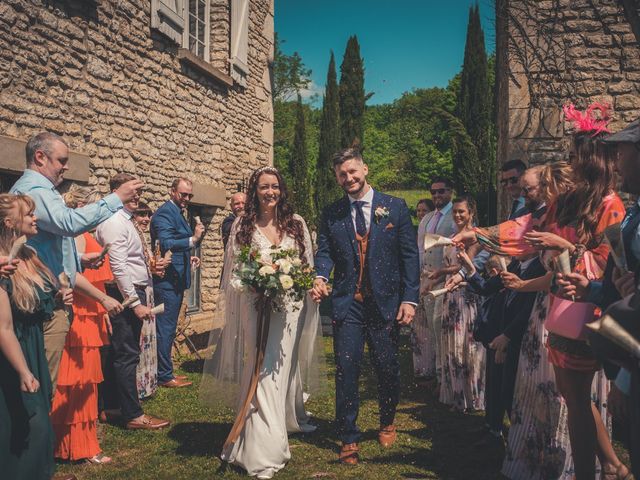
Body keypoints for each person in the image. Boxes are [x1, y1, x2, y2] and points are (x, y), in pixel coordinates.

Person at [201, 166, 322, 479]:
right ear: (255, 191)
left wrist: (310, 284)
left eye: (276, 187)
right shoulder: (243, 225)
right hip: (257, 307)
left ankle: (279, 424)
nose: (271, 192)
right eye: (265, 187)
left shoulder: (296, 224)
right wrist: (257, 283)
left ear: (282, 190)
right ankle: (264, 450)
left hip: (291, 308)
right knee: (264, 369)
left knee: (282, 368)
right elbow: (236, 271)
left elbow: (306, 266)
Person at [312, 147, 420, 465]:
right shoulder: (332, 213)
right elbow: (325, 251)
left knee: (387, 367)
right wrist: (320, 275)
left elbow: (409, 257)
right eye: (342, 175)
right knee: (346, 369)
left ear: (365, 169)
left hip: (385, 303)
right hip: (349, 304)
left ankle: (387, 420)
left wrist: (409, 298)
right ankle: (348, 436)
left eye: (352, 172)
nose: (348, 178)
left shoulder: (395, 208)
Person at [9, 131, 142, 390]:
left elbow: (42, 249)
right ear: (40, 157)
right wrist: (116, 198)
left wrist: (78, 260)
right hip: (45, 303)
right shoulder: (35, 190)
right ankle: (41, 430)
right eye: (61, 160)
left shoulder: (40, 190)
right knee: (41, 384)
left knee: (43, 380)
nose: (66, 167)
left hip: (50, 298)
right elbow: (68, 223)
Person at [0, 193, 71, 480]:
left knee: (39, 419)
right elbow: (3, 326)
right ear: (9, 222)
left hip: (33, 344)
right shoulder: (3, 263)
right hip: (12, 353)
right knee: (27, 423)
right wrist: (22, 370)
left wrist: (55, 296)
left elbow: (33, 300)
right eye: (29, 213)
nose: (35, 218)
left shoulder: (29, 254)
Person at [96, 174, 170, 431]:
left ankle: (113, 407)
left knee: (122, 352)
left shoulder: (126, 221)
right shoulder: (114, 222)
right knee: (126, 354)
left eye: (140, 191)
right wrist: (134, 302)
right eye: (132, 191)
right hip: (124, 293)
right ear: (116, 190)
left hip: (133, 289)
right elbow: (118, 266)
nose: (137, 196)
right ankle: (132, 415)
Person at [50, 186, 113, 464]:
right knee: (77, 382)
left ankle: (80, 444)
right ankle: (77, 446)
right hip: (80, 316)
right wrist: (102, 300)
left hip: (91, 313)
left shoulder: (82, 235)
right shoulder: (74, 235)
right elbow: (71, 275)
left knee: (85, 382)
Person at [151, 178, 204, 388]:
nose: (187, 199)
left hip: (177, 278)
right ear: (172, 191)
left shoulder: (178, 212)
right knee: (165, 328)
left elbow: (172, 247)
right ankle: (163, 375)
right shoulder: (165, 213)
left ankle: (166, 370)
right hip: (167, 282)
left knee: (170, 327)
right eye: (183, 195)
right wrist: (193, 240)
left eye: (190, 195)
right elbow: (164, 242)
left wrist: (187, 257)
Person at [434, 196, 485, 412]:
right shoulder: (452, 236)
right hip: (450, 296)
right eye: (454, 211)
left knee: (468, 347)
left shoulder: (476, 237)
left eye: (461, 212)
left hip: (467, 296)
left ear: (471, 213)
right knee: (452, 348)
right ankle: (455, 395)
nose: (457, 215)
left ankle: (471, 398)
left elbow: (465, 266)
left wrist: (438, 273)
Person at [414, 178, 456, 381]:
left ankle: (446, 379)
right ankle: (435, 374)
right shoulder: (427, 218)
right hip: (427, 279)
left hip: (448, 280)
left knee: (443, 330)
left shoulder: (456, 214)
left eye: (441, 191)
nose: (437, 196)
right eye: (433, 192)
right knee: (430, 329)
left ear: (450, 192)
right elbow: (420, 250)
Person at [133, 201, 168, 399]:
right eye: (141, 215)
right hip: (138, 292)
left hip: (148, 289)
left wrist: (156, 266)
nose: (146, 219)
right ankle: (137, 386)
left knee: (148, 338)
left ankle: (147, 383)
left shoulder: (143, 238)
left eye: (148, 215)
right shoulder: (130, 235)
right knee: (139, 340)